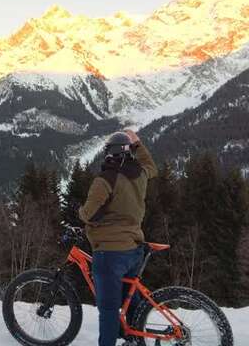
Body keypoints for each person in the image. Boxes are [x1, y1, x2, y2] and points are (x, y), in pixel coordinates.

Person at [78, 130, 157, 346]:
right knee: (130, 300)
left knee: (109, 309)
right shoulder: (140, 173)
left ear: (109, 154)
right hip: (134, 249)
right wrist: (138, 143)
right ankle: (134, 338)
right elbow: (152, 167)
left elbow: (88, 214)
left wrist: (80, 212)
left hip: (110, 253)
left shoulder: (105, 180)